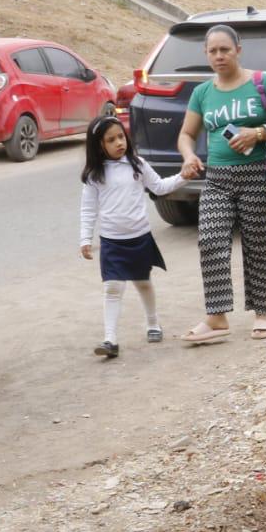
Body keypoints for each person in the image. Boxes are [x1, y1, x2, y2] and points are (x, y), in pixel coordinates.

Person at [176, 24, 266, 344]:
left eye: (225, 50)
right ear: (206, 54)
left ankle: (262, 315)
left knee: (257, 246)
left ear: (238, 50)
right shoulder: (203, 93)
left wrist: (257, 133)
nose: (219, 56)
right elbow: (186, 134)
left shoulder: (262, 83)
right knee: (211, 241)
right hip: (216, 179)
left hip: (255, 174)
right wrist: (189, 156)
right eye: (212, 51)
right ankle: (217, 317)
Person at [79, 115, 196, 358]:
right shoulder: (94, 175)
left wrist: (184, 176)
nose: (119, 142)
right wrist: (85, 239)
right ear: (98, 145)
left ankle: (153, 323)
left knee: (143, 283)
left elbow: (160, 187)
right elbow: (88, 209)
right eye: (111, 140)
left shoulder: (137, 165)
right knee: (112, 287)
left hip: (139, 237)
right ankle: (110, 339)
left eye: (121, 136)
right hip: (112, 240)